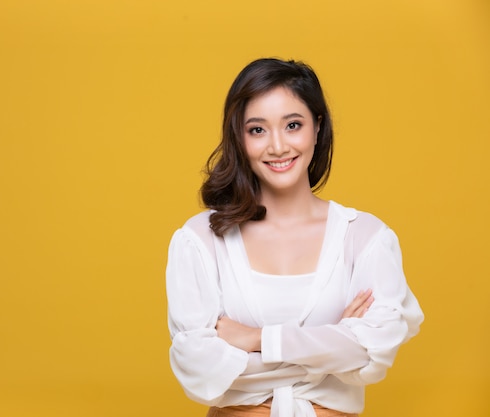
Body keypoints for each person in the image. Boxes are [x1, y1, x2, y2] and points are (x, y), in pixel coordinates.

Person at [165, 58, 423, 417]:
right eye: (257, 130)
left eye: (293, 125)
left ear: (317, 128)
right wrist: (333, 341)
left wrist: (257, 340)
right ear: (238, 138)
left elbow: (372, 352)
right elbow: (199, 369)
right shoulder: (200, 240)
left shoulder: (365, 238)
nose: (277, 146)